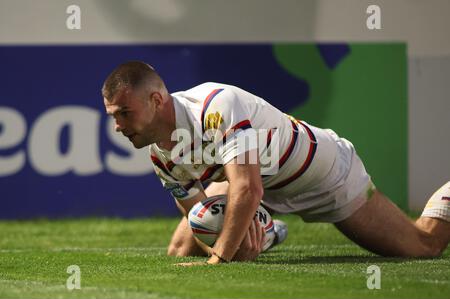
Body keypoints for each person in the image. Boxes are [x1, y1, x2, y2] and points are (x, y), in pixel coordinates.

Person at [102, 61, 450, 265]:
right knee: (181, 248)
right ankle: (268, 231)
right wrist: (229, 244)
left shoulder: (215, 105)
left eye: (124, 114)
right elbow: (198, 214)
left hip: (323, 177)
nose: (117, 127)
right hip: (257, 180)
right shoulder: (158, 153)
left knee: (424, 246)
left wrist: (220, 259)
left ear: (156, 99)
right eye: (113, 116)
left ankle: (265, 229)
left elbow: (247, 188)